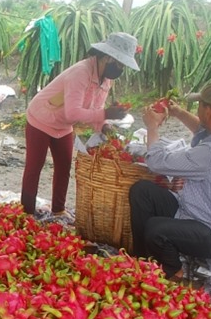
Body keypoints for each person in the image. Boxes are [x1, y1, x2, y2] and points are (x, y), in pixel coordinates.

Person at [129, 79, 211, 279]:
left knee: (155, 230)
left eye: (200, 104)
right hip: (193, 211)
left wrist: (152, 127)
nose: (198, 108)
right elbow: (202, 130)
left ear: (209, 111)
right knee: (142, 191)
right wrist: (178, 113)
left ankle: (173, 270)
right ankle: (144, 261)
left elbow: (157, 162)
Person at [21, 32, 140, 219]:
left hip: (63, 124)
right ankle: (26, 212)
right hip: (41, 118)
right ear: (108, 57)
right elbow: (73, 112)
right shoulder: (81, 72)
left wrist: (105, 126)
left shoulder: (105, 80)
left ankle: (58, 209)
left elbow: (98, 109)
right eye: (119, 64)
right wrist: (105, 114)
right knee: (35, 166)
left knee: (64, 166)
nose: (120, 69)